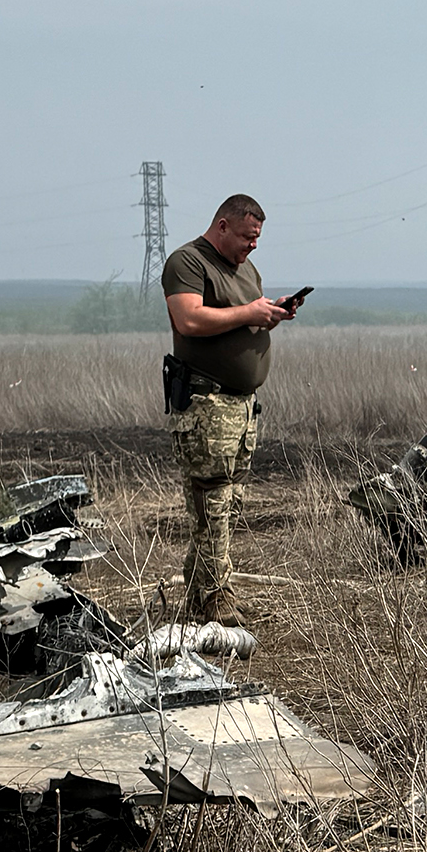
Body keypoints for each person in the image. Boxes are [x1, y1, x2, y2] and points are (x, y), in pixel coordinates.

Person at [160, 194, 296, 623]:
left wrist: (268, 314)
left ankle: (201, 593)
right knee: (211, 502)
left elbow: (242, 316)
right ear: (222, 226)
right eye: (246, 237)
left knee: (229, 501)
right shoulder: (188, 263)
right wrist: (248, 312)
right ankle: (215, 596)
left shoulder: (246, 270)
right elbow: (190, 320)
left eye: (257, 239)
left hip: (241, 407)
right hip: (207, 404)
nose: (252, 246)